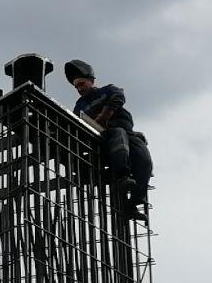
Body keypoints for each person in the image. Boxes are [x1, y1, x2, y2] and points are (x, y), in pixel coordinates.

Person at [63, 59, 153, 220]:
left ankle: (133, 203)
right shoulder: (80, 105)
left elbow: (118, 96)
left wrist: (105, 115)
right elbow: (77, 123)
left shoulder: (107, 91)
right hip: (103, 138)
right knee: (118, 135)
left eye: (81, 84)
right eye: (76, 87)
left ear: (91, 80)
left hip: (126, 133)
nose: (79, 89)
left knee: (144, 159)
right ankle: (122, 176)